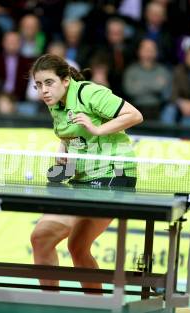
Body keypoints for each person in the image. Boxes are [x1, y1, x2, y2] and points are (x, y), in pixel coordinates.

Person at [29, 54, 143, 293]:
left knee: (42, 237)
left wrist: (98, 129)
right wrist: (63, 149)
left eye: (49, 82)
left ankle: (52, 306)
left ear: (66, 80)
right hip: (84, 179)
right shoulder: (56, 106)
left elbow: (134, 115)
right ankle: (94, 306)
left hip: (114, 176)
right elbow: (71, 135)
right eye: (38, 85)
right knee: (77, 247)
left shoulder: (89, 93)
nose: (43, 90)